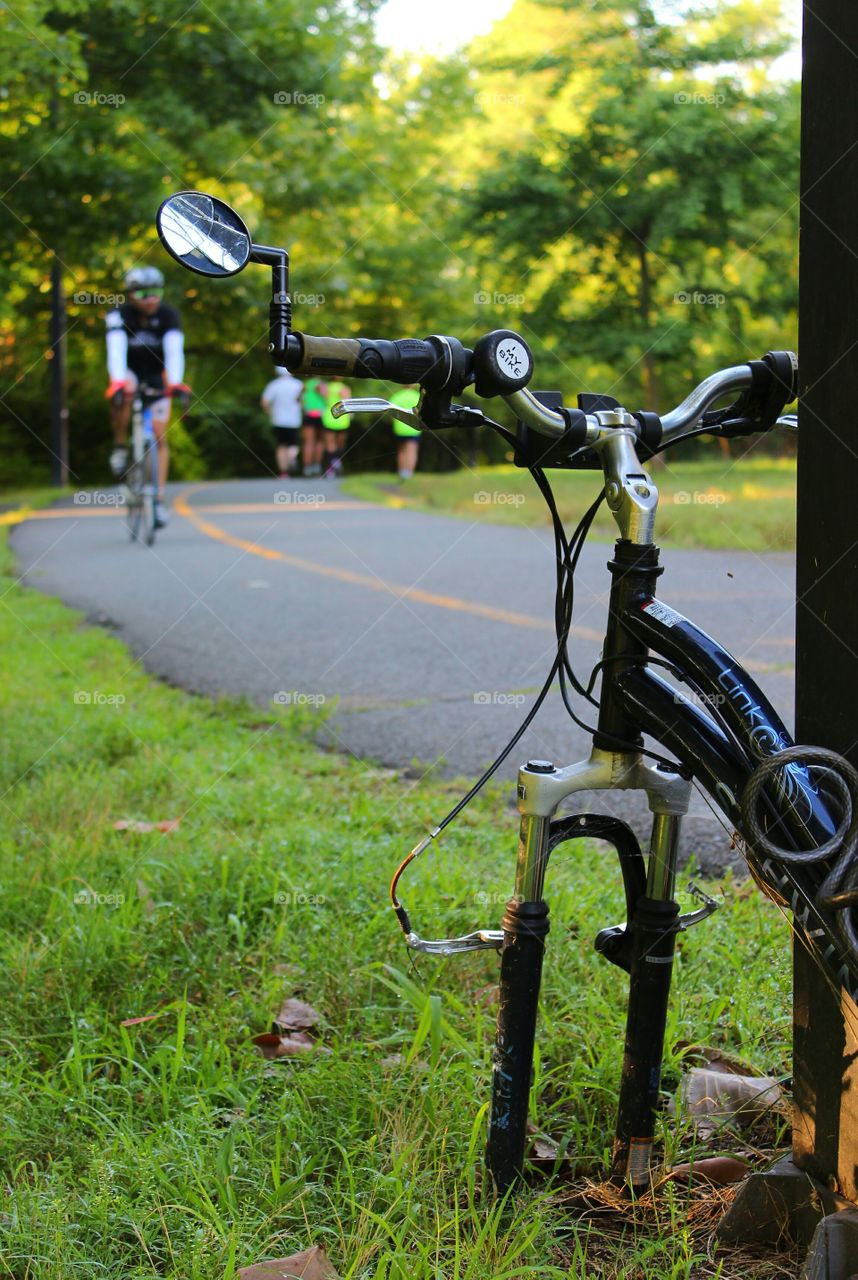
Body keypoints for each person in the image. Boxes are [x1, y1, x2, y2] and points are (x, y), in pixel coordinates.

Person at [104, 266, 190, 529]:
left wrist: (175, 384)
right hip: (129, 370)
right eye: (143, 292)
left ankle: (158, 499)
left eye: (156, 292)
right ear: (131, 294)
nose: (150, 298)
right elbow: (116, 350)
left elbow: (175, 352)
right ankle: (120, 446)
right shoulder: (119, 315)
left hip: (156, 375)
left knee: (159, 433)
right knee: (125, 391)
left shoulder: (168, 316)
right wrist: (117, 381)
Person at [261, 366, 303, 478]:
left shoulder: (274, 385)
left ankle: (284, 472)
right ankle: (292, 457)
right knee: (293, 444)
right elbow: (302, 401)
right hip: (294, 420)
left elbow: (265, 402)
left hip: (278, 420)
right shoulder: (298, 384)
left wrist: (269, 413)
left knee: (281, 445)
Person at [321, 380, 352, 477]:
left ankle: (334, 464)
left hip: (335, 419)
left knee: (334, 444)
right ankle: (334, 464)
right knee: (336, 444)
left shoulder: (326, 387)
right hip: (337, 419)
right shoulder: (344, 388)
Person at [390, 384, 421, 480]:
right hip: (413, 429)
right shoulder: (417, 396)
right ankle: (408, 473)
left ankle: (401, 472)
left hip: (399, 429)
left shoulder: (396, 396)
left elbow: (391, 412)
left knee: (401, 451)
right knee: (412, 451)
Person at [300, 376, 328, 477]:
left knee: (308, 442)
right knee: (319, 441)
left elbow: (298, 400)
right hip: (320, 415)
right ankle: (316, 465)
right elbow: (326, 398)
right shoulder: (321, 384)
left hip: (309, 414)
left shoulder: (305, 384)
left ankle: (307, 467)